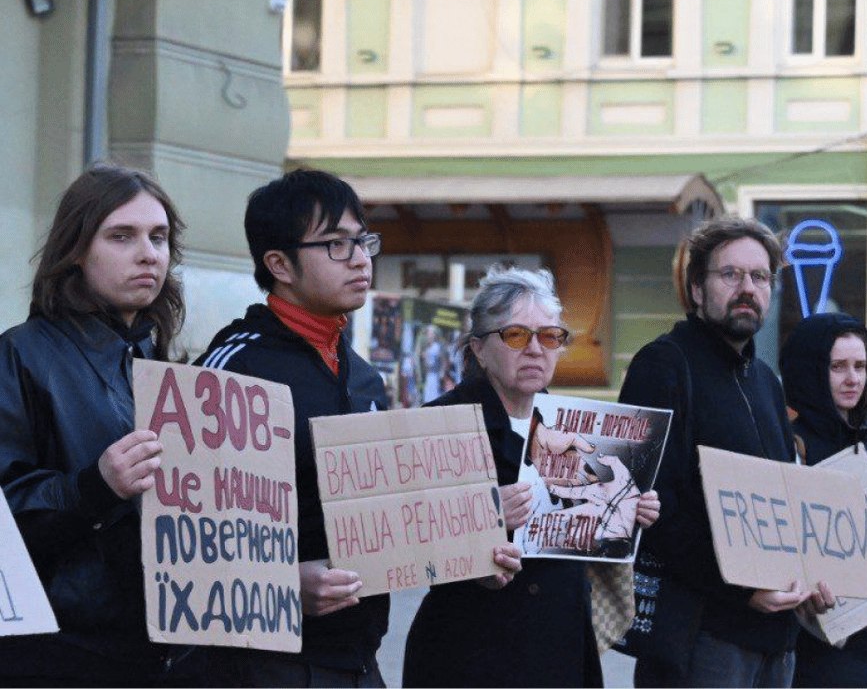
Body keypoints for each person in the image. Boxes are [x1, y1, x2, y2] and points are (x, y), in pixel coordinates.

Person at [194, 169, 520, 687]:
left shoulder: (364, 376)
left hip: (358, 655)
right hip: (258, 660)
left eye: (363, 240)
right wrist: (282, 583)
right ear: (279, 264)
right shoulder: (231, 369)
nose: (362, 258)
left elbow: (385, 516)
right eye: (336, 245)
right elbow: (185, 531)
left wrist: (469, 553)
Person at [403, 265, 659, 689]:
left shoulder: (578, 426)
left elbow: (595, 526)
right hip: (471, 655)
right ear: (479, 349)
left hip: (561, 647)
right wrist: (483, 517)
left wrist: (634, 507)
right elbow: (398, 538)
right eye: (516, 335)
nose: (536, 349)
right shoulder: (441, 423)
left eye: (550, 336)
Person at [0, 165, 198, 687]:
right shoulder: (21, 353)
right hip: (61, 651)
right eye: (121, 236)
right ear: (76, 250)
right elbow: (6, 513)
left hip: (163, 648)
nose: (148, 254)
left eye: (159, 237)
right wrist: (94, 486)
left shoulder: (169, 369)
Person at [618, 216, 810, 689]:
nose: (747, 288)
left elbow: (786, 501)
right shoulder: (663, 364)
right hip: (699, 637)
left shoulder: (766, 382)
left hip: (775, 638)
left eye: (760, 277)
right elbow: (649, 508)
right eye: (731, 275)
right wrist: (742, 588)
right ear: (697, 289)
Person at [778, 312, 867, 688]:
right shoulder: (792, 447)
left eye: (860, 366)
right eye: (837, 366)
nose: (852, 378)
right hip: (820, 651)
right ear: (810, 371)